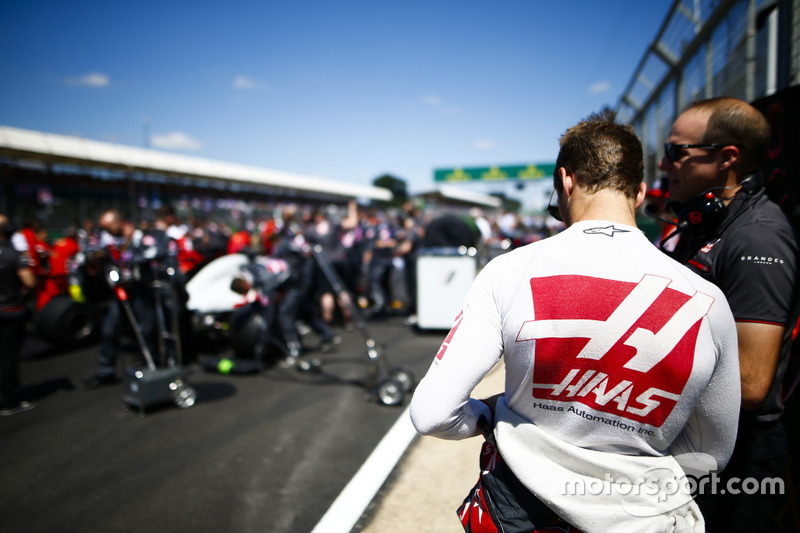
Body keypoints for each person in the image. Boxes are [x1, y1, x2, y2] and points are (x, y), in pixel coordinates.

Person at [410, 111, 741, 532]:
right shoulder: (709, 301)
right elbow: (711, 453)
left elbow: (432, 413)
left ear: (565, 181)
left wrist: (488, 415)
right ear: (639, 193)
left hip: (523, 511)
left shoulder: (509, 271)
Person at [657, 97, 799, 532]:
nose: (665, 165)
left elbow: (752, 382)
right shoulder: (705, 226)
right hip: (700, 439)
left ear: (727, 158)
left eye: (677, 152)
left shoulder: (756, 238)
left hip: (741, 456)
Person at [0, 214, 37, 415]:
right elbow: (30, 282)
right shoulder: (14, 254)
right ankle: (10, 401)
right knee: (9, 358)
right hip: (10, 311)